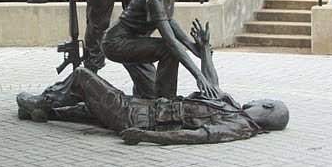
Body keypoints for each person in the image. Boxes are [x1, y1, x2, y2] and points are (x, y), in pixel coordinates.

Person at [16, 20, 289, 145]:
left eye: (263, 100)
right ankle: (42, 112)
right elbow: (212, 84)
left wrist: (146, 137)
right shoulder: (231, 106)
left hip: (138, 119)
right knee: (85, 111)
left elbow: (194, 137)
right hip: (142, 107)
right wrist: (205, 48)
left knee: (83, 77)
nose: (254, 100)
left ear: (266, 106)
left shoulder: (240, 125)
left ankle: (38, 102)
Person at [103, 0, 215, 100]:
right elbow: (171, 42)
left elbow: (168, 19)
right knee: (167, 50)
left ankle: (147, 99)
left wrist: (191, 46)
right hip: (116, 42)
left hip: (136, 41)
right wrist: (199, 76)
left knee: (149, 94)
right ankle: (166, 104)